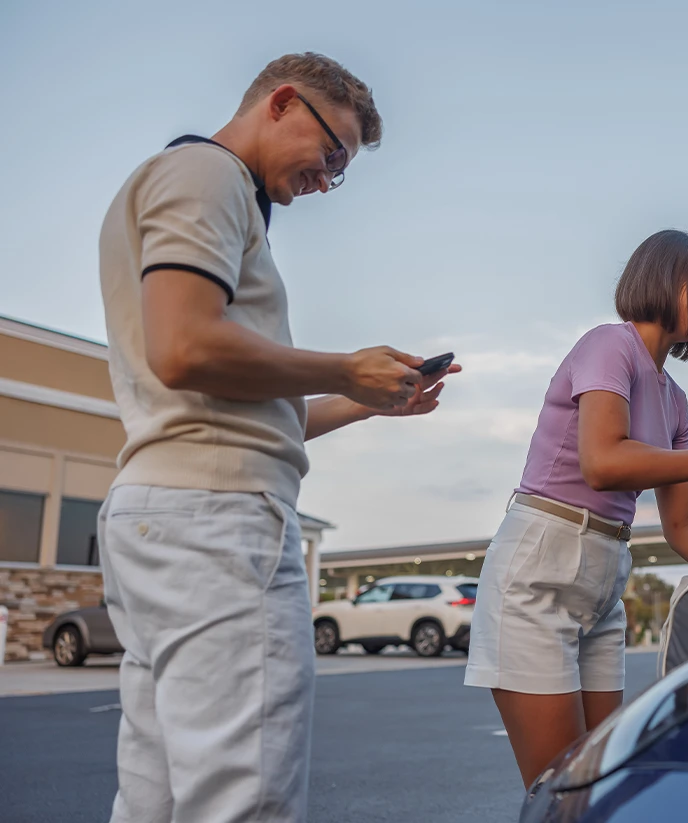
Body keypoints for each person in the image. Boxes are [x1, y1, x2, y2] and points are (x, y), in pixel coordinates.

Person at [97, 53, 458, 822]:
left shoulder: (187, 184)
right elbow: (185, 346)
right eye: (331, 153)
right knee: (243, 795)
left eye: (341, 171)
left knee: (156, 795)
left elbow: (260, 408)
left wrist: (366, 400)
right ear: (282, 102)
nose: (327, 181)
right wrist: (341, 365)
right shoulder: (210, 174)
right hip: (220, 519)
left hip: (164, 509)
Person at [464, 228, 688, 787]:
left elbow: (685, 531)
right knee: (560, 791)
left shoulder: (675, 401)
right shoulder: (610, 345)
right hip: (540, 564)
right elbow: (603, 462)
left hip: (604, 579)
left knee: (601, 782)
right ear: (664, 275)